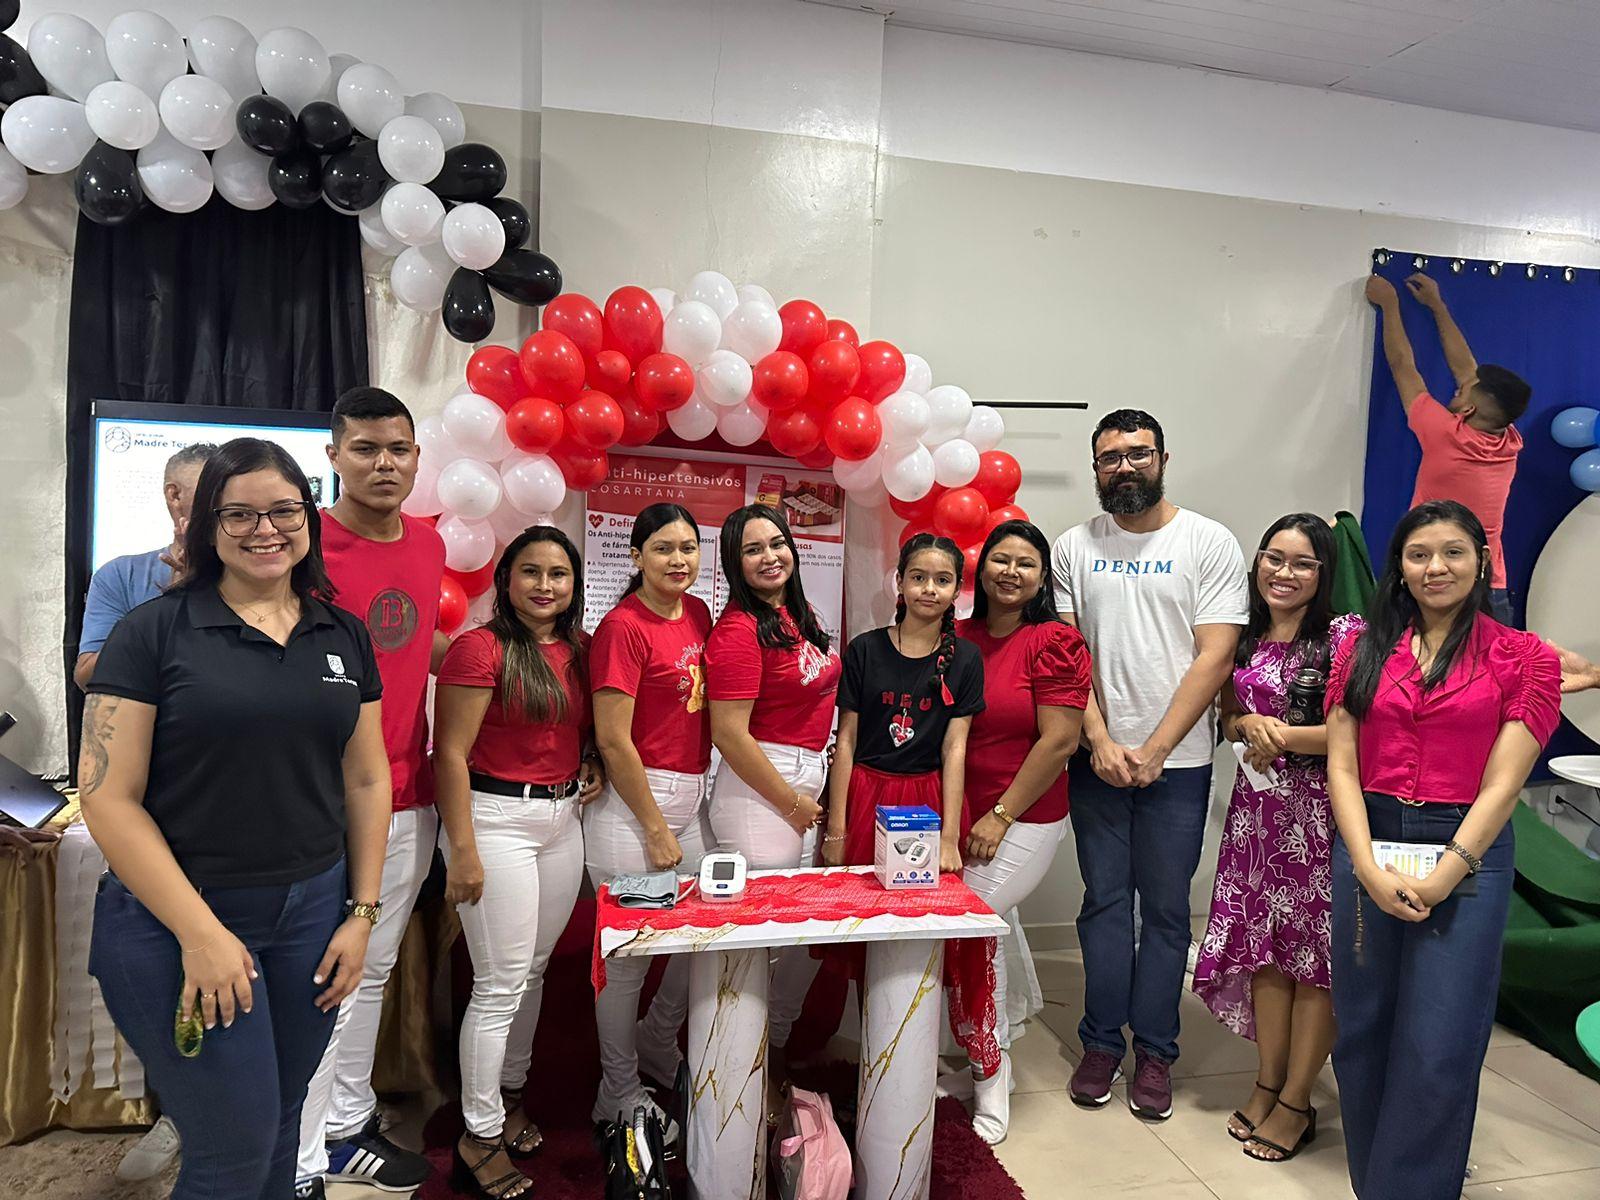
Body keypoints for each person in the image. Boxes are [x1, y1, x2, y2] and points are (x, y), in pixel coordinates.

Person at [78, 438, 391, 1200]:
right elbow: (106, 797)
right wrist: (201, 934)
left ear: (308, 517)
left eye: (284, 509)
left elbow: (366, 774)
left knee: (282, 1125)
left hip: (312, 917)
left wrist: (362, 912)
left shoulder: (339, 632)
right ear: (206, 526)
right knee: (231, 1150)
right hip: (180, 921)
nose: (265, 528)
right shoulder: (153, 630)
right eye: (240, 512)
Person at [1326, 499, 1560, 1198]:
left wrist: (1448, 870)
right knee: (1363, 1030)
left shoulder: (1525, 656)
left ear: (1481, 561)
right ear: (1399, 566)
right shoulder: (1362, 649)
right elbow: (1341, 763)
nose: (1436, 568)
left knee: (1439, 1042)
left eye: (1453, 552)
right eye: (1419, 553)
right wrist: (1365, 863)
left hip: (1469, 852)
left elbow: (1504, 783)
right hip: (1369, 837)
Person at [1051, 408, 1248, 1120]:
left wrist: (1158, 748)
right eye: (1111, 457)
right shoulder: (1074, 546)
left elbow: (1215, 654)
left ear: (1163, 456)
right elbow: (1068, 660)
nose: (1125, 467)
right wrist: (1100, 742)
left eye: (1138, 454)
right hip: (1095, 760)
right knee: (1104, 904)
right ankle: (1102, 1042)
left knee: (1166, 914)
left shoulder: (1208, 541)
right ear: (1095, 467)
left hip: (1182, 766)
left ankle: (1156, 1052)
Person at [295, 389, 443, 1197]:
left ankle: (347, 1128)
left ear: (417, 457)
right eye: (365, 449)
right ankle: (298, 1161)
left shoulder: (428, 541)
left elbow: (418, 647)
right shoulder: (302, 545)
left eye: (398, 449)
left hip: (408, 792)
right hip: (324, 801)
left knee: (373, 975)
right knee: (325, 981)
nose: (384, 464)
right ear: (333, 456)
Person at [434, 526, 602, 1199]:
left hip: (561, 821)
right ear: (506, 579)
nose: (544, 586)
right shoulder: (482, 648)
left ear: (573, 584)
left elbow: (573, 731)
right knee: (498, 983)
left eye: (558, 574)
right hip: (494, 822)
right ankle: (477, 1135)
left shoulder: (578, 650)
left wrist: (586, 761)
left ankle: (507, 1098)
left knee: (529, 973)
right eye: (530, 572)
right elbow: (448, 753)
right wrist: (465, 850)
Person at [1192, 514, 1363, 1162]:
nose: (1283, 573)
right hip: (1257, 822)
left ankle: (1298, 1101)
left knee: (1313, 965)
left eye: (1301, 563)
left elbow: (1357, 732)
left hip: (1319, 820)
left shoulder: (1346, 637)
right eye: (1273, 558)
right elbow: (1231, 715)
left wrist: (1280, 734)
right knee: (1265, 952)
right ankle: (1267, 1081)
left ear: (1322, 575)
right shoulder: (1248, 635)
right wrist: (1245, 728)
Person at [954, 519, 1090, 1145]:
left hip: (1024, 815)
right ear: (980, 571)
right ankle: (983, 1053)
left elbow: (1060, 738)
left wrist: (1000, 814)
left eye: (1026, 563)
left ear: (1042, 578)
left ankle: (992, 1075)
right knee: (982, 928)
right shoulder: (957, 637)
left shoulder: (1055, 641)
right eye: (1000, 560)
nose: (1011, 572)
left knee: (974, 927)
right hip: (955, 813)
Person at [704, 503, 839, 1110]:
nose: (769, 556)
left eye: (776, 542)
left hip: (805, 777)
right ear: (735, 563)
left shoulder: (799, 616)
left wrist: (815, 794)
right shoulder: (736, 631)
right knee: (763, 938)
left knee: (807, 937)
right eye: (752, 548)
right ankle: (740, 1066)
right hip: (763, 788)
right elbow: (729, 734)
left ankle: (773, 1050)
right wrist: (790, 802)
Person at [587, 503, 714, 1139]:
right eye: (663, 548)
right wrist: (656, 827)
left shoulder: (698, 613)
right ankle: (617, 1088)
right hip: (634, 810)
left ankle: (658, 1039)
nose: (678, 561)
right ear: (636, 556)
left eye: (688, 548)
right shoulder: (622, 627)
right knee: (627, 958)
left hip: (692, 797)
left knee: (702, 937)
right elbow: (614, 740)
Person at [1366, 273, 1532, 624]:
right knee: (1491, 673)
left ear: (1469, 409)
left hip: (1432, 577)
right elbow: (1466, 368)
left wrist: (1389, 305)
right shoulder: (1508, 441)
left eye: (1460, 391)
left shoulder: (1444, 434)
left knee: (1416, 667)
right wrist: (1437, 306)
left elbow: (1402, 365)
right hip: (1489, 583)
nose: (1456, 388)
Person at [77, 442, 217, 691]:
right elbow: (87, 677)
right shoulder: (120, 575)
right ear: (174, 495)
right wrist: (171, 608)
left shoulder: (250, 571)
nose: (224, 503)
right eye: (211, 491)